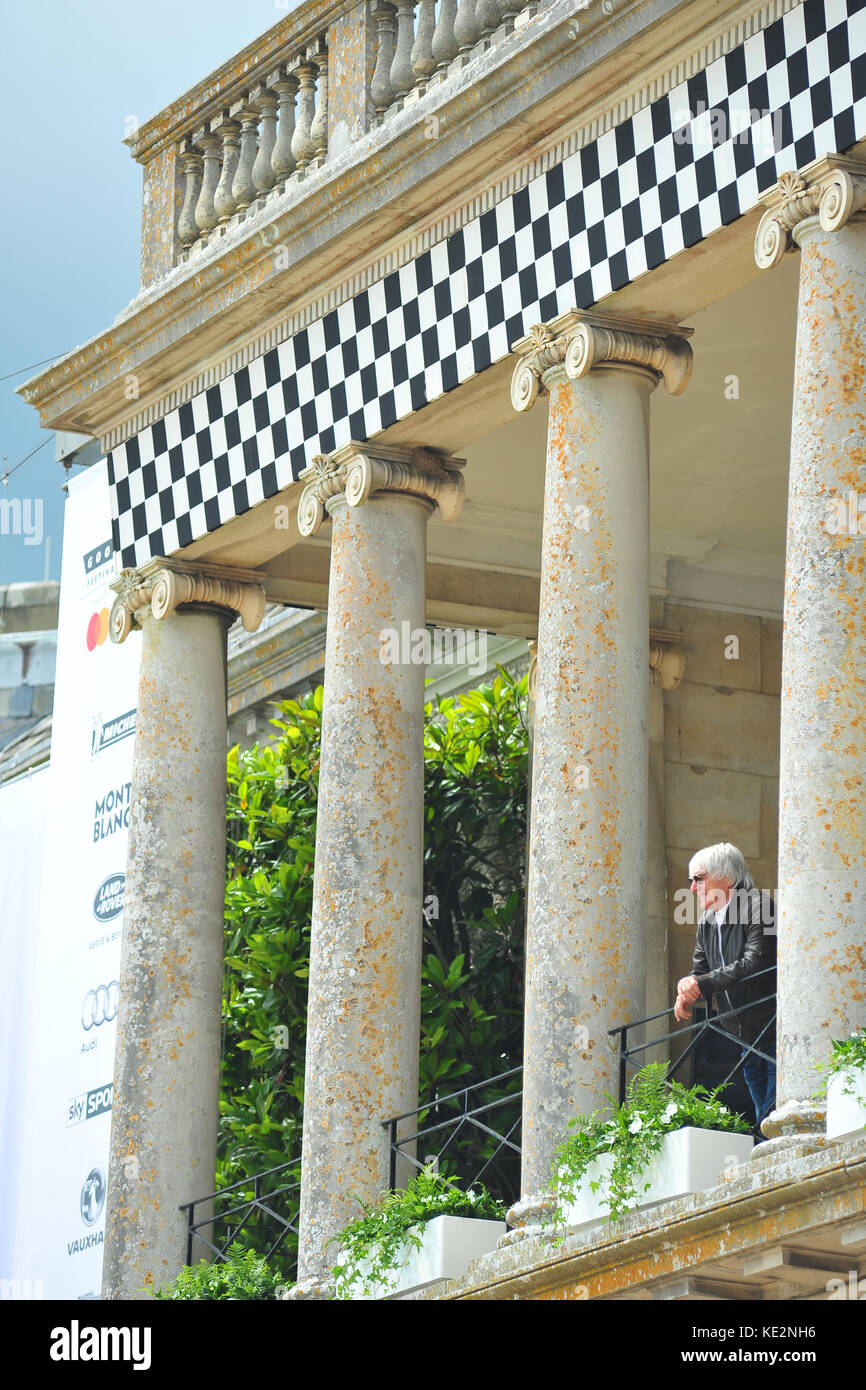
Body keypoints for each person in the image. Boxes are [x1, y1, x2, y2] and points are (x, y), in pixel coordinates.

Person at [674, 842, 776, 1134]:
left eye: (699, 878)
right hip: (743, 1037)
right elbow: (700, 970)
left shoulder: (759, 905)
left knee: (770, 1118)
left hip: (772, 1028)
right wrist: (686, 989)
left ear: (727, 878)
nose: (693, 889)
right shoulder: (707, 921)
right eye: (691, 881)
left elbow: (755, 962)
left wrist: (700, 985)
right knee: (764, 1117)